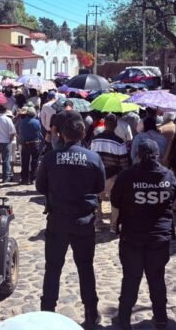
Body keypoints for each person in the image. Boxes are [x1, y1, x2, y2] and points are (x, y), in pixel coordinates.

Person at [36, 110, 105, 330]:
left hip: (58, 220)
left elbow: (39, 187)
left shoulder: (50, 158)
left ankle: (47, 312)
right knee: (85, 267)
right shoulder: (92, 157)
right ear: (83, 133)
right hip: (83, 221)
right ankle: (91, 313)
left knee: (53, 268)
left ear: (62, 135)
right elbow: (100, 187)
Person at [110, 139, 176, 330]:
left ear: (138, 155)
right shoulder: (168, 175)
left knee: (131, 278)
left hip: (132, 236)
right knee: (157, 278)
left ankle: (124, 320)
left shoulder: (127, 176)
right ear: (157, 155)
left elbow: (115, 200)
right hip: (160, 236)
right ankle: (161, 319)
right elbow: (172, 198)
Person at [90, 114, 131, 234]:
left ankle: (97, 223)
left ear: (105, 124)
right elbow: (124, 162)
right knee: (115, 201)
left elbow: (92, 157)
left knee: (97, 199)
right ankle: (114, 226)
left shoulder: (95, 140)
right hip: (113, 176)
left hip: (97, 174)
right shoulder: (119, 142)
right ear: (115, 125)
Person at [18, 107, 43, 184]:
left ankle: (24, 178)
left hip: (25, 143)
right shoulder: (36, 122)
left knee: (25, 161)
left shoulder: (22, 121)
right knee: (34, 161)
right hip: (35, 143)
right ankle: (33, 178)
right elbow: (38, 131)